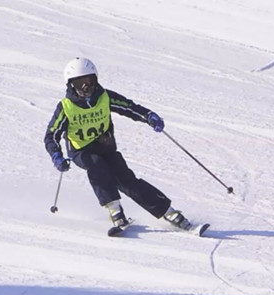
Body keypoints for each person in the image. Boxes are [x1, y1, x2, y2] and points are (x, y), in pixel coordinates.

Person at [44, 57, 192, 231]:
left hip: (105, 147)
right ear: (70, 85)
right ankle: (115, 211)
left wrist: (149, 116)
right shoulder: (66, 107)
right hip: (81, 150)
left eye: (88, 80)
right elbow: (51, 135)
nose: (85, 86)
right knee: (96, 165)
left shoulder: (104, 97)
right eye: (79, 82)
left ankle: (169, 212)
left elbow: (129, 107)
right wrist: (57, 156)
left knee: (127, 181)